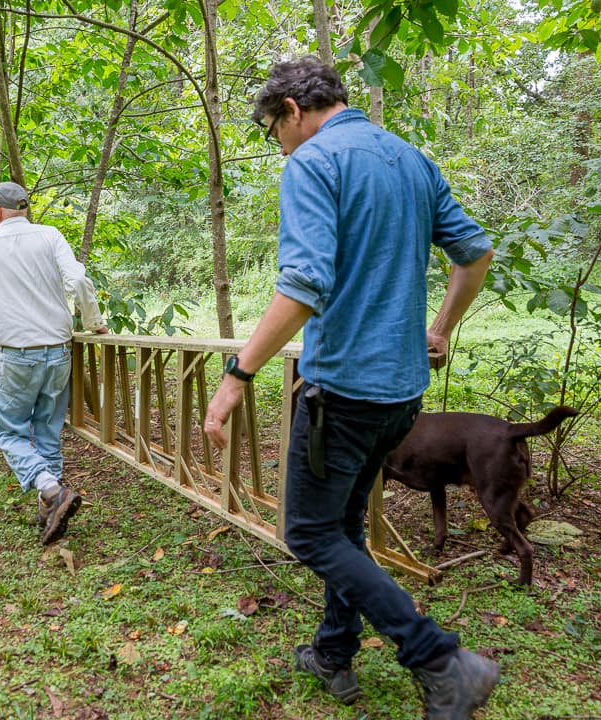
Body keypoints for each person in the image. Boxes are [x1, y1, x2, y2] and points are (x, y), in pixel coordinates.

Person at [203, 57, 499, 719]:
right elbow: (474, 253)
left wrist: (236, 377)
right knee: (342, 526)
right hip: (401, 397)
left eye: (272, 127)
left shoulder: (313, 162)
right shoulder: (411, 160)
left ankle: (439, 659)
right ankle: (334, 651)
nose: (277, 141)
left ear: (292, 108)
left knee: (308, 533)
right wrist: (441, 327)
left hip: (342, 392)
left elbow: (301, 285)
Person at [0, 181, 108, 545]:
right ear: (24, 208)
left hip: (17, 353)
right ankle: (50, 509)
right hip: (59, 350)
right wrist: (93, 322)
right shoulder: (49, 236)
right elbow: (77, 278)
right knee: (46, 430)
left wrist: (1, 326)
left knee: (9, 432)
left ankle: (50, 488)